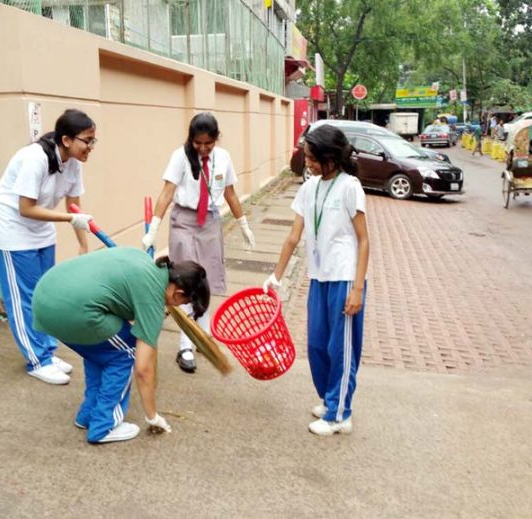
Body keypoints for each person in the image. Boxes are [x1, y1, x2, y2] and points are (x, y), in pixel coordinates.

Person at [32, 248, 209, 444]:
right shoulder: (152, 298)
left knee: (103, 350)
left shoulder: (143, 260)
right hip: (70, 312)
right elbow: (143, 369)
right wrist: (153, 416)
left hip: (45, 300)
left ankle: (88, 415)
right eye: (185, 302)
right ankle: (103, 426)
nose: (178, 307)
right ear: (179, 293)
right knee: (126, 352)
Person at [264, 125, 370, 437]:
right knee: (317, 345)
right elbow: (293, 237)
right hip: (319, 277)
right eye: (306, 157)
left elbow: (364, 241)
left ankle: (340, 415)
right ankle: (329, 400)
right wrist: (275, 276)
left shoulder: (350, 187)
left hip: (345, 278)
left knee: (341, 349)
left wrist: (358, 288)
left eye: (312, 157)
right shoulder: (308, 188)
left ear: (330, 157)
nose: (307, 162)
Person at [0, 109, 96, 385]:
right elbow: (25, 208)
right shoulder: (34, 158)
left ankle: (47, 350)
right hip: (12, 227)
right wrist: (70, 218)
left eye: (94, 141)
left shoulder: (73, 162)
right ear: (67, 139)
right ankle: (37, 359)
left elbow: (74, 206)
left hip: (41, 226)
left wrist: (83, 246)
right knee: (24, 297)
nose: (91, 147)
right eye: (88, 140)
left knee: (45, 293)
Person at [142, 112, 255, 373]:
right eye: (198, 143)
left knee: (205, 282)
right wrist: (154, 227)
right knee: (184, 282)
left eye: (208, 143)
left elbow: (230, 194)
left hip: (210, 223)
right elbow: (167, 193)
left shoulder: (223, 158)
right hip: (184, 220)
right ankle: (185, 345)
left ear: (216, 139)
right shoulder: (180, 156)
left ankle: (202, 338)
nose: (202, 149)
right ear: (191, 139)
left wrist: (244, 224)